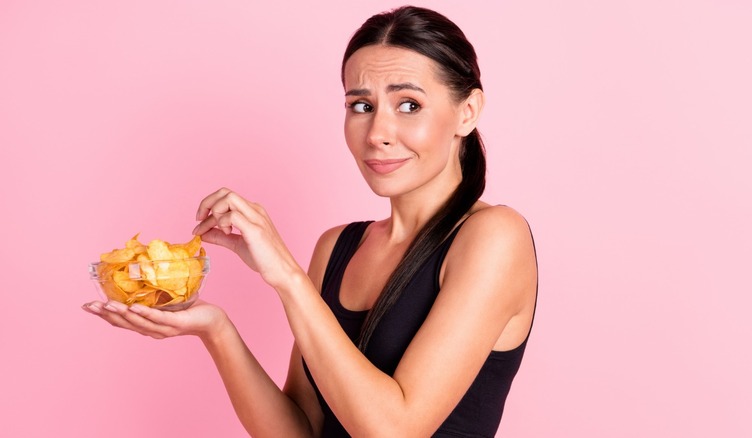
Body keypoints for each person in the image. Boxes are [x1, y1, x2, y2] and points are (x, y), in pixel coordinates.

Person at [82, 6, 538, 437]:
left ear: (468, 111)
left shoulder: (494, 237)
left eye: (409, 105)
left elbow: (393, 430)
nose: (377, 133)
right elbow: (301, 430)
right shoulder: (338, 247)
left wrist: (285, 275)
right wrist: (215, 329)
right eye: (361, 106)